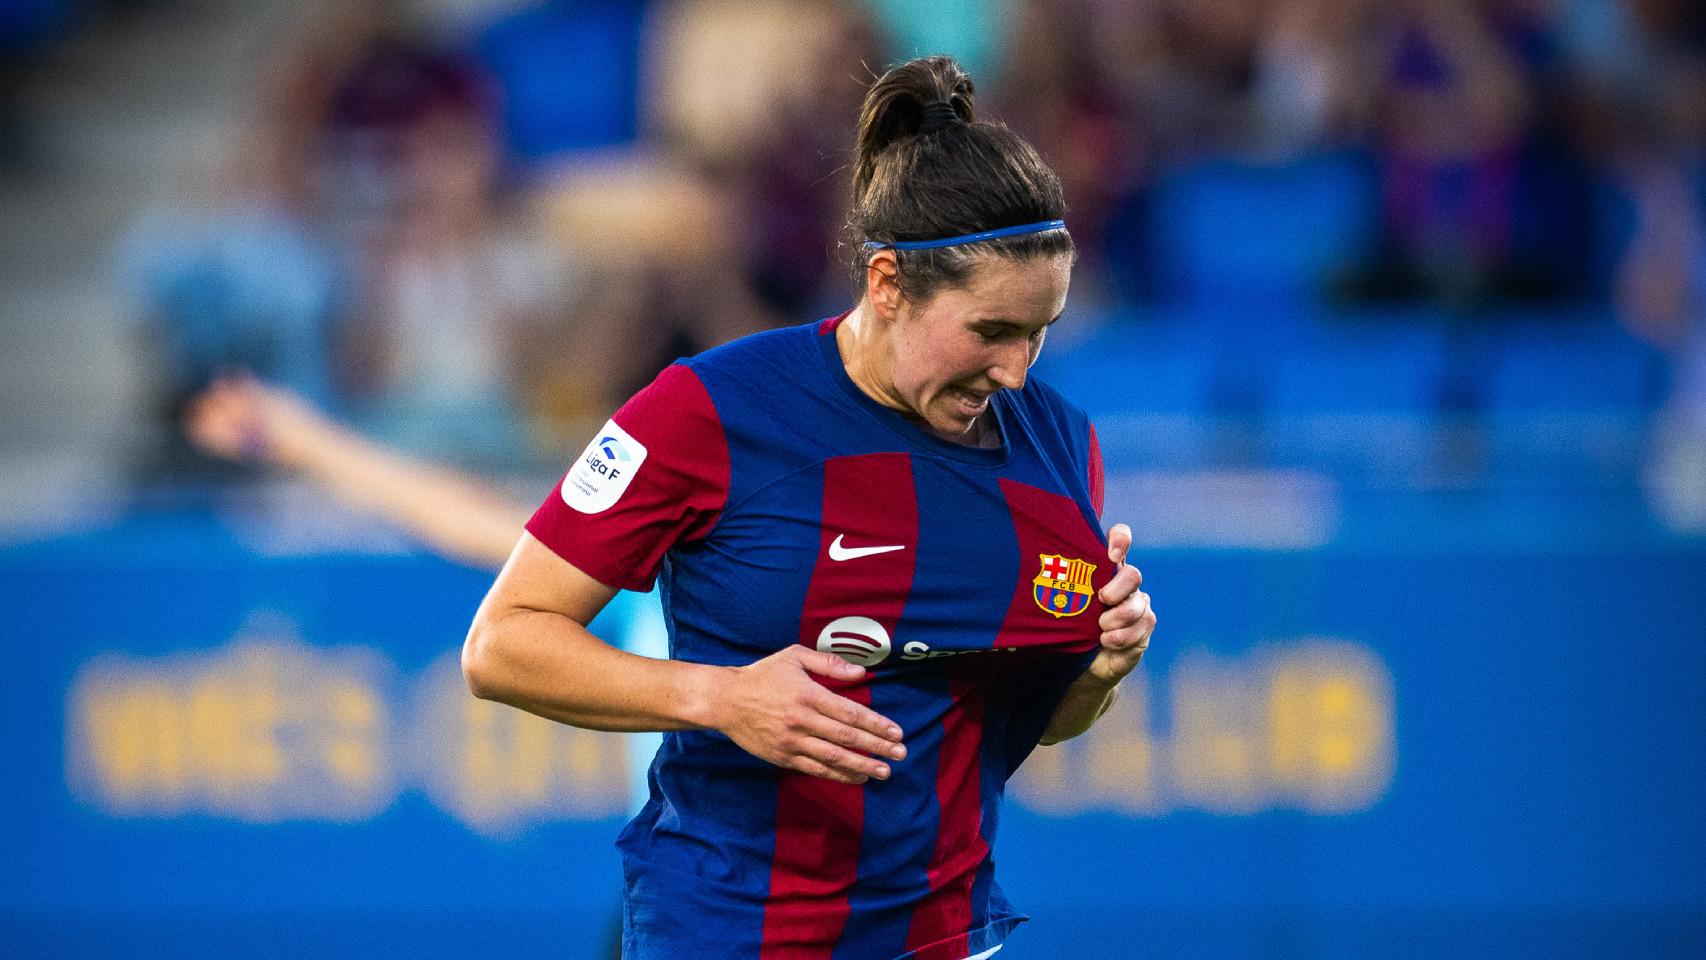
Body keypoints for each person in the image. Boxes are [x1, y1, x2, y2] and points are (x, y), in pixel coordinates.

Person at [462, 56, 1157, 960]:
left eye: (1041, 331)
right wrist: (721, 698)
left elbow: (1039, 719)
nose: (1017, 370)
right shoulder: (706, 411)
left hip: (939, 938)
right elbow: (503, 644)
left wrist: (1099, 671)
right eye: (990, 331)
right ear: (887, 284)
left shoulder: (1061, 448)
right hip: (724, 931)